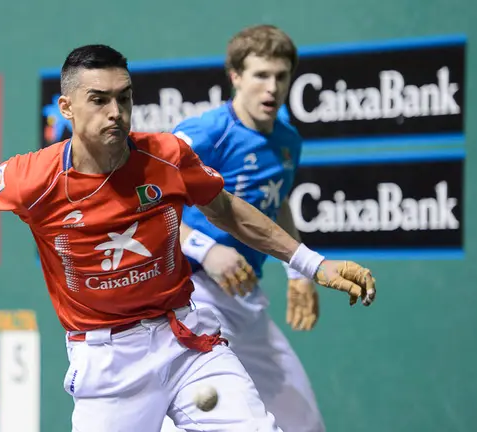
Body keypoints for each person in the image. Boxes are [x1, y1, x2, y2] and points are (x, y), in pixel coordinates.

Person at [0, 43, 376, 432]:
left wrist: (311, 263)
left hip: (188, 342)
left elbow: (228, 210)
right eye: (99, 99)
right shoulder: (36, 179)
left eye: (124, 99)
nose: (115, 112)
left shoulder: (166, 156)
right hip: (107, 366)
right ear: (67, 108)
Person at [159, 25, 331, 432]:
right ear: (235, 76)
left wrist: (297, 270)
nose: (272, 88)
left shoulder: (288, 140)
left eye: (281, 76)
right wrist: (203, 249)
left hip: (244, 298)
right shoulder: (206, 133)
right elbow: (144, 199)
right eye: (260, 75)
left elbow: (277, 200)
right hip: (192, 296)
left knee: (305, 423)